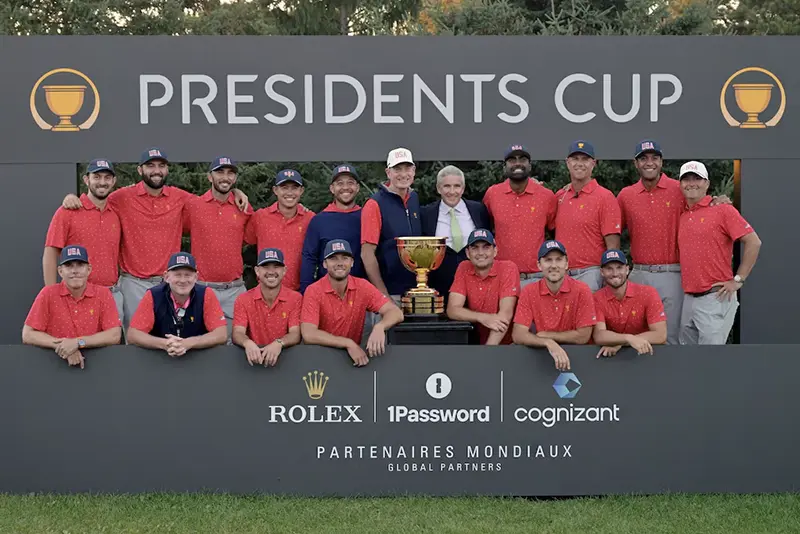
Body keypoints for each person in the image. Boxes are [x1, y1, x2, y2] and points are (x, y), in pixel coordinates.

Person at [60, 147, 249, 330]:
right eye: (150, 166)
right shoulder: (122, 197)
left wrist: (234, 192)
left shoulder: (180, 197)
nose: (156, 171)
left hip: (169, 283)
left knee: (172, 338)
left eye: (161, 166)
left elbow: (213, 200)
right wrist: (71, 197)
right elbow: (97, 197)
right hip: (132, 283)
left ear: (167, 170)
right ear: (140, 170)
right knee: (135, 342)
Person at [618, 140, 732, 345]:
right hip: (638, 274)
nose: (649, 163)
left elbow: (699, 203)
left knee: (669, 339)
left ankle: (667, 378)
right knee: (634, 334)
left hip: (672, 274)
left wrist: (717, 200)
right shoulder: (626, 195)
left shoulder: (678, 189)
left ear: (661, 162)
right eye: (643, 158)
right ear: (636, 164)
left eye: (654, 158)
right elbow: (614, 231)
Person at [677, 161, 762, 345]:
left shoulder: (723, 210)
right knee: (688, 361)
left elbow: (754, 242)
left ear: (707, 183)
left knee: (711, 363)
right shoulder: (683, 214)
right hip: (689, 299)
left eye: (697, 179)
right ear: (680, 184)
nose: (691, 183)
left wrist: (738, 279)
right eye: (686, 179)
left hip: (715, 298)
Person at [301, 239, 404, 367]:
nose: (340, 263)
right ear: (324, 264)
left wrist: (380, 327)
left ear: (352, 262)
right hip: (319, 359)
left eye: (345, 258)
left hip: (352, 360)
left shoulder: (362, 286)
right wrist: (347, 343)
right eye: (333, 258)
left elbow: (396, 312)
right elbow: (309, 334)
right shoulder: (314, 290)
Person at [44, 159, 124, 322]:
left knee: (111, 344)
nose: (102, 182)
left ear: (113, 181)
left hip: (112, 293)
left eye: (107, 178)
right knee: (76, 344)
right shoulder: (68, 211)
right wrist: (51, 294)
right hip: (78, 295)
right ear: (86, 180)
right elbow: (51, 253)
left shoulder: (117, 212)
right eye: (97, 177)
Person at [184, 156, 252, 337]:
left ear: (235, 179)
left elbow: (249, 239)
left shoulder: (243, 207)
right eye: (220, 172)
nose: (225, 177)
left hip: (234, 290)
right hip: (200, 289)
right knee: (197, 346)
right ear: (209, 177)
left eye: (230, 173)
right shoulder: (193, 205)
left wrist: (238, 192)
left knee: (233, 350)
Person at [23, 245, 121, 369]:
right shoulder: (48, 293)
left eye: (80, 265)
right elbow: (28, 334)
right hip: (52, 365)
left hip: (96, 366)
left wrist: (78, 343)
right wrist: (64, 346)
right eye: (69, 266)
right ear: (60, 271)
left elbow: (114, 335)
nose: (75, 271)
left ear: (89, 269)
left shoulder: (103, 294)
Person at [512, 240, 597, 371]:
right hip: (544, 354)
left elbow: (583, 336)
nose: (553, 265)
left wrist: (548, 336)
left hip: (580, 357)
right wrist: (548, 342)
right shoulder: (529, 291)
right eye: (548, 260)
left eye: (558, 259)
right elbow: (518, 334)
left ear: (567, 263)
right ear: (539, 265)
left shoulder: (582, 290)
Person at [483, 144, 557, 288]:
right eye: (512, 160)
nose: (517, 163)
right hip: (501, 276)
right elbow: (488, 228)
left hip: (536, 276)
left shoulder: (547, 196)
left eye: (522, 159)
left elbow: (554, 232)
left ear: (530, 165)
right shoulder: (492, 194)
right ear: (505, 166)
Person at [127, 252, 228, 356]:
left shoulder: (206, 294)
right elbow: (133, 335)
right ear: (166, 277)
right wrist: (165, 344)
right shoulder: (153, 295)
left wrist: (189, 343)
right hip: (159, 358)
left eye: (187, 275)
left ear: (196, 277)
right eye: (177, 275)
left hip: (198, 358)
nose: (183, 280)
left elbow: (221, 334)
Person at [553, 141, 621, 292]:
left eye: (585, 159)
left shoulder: (605, 197)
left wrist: (610, 275)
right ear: (567, 163)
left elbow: (613, 245)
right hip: (561, 274)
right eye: (575, 159)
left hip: (591, 274)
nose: (579, 164)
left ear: (593, 163)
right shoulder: (560, 196)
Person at [360, 148, 422, 301]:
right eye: (397, 169)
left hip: (416, 290)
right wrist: (383, 296)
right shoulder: (374, 204)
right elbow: (367, 254)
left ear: (414, 170)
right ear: (388, 172)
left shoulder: (414, 198)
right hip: (390, 294)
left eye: (407, 168)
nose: (403, 174)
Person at [421, 165, 490, 300]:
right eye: (447, 186)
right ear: (438, 188)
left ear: (463, 189)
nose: (452, 191)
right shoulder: (426, 214)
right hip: (439, 285)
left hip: (475, 283)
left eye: (457, 186)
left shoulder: (479, 210)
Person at [446, 229, 519, 345]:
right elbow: (452, 309)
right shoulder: (464, 267)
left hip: (510, 346)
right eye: (475, 248)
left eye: (486, 247)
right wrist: (483, 318)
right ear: (467, 253)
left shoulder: (508, 268)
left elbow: (505, 315)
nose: (480, 253)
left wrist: (487, 352)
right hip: (478, 345)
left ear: (495, 251)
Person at [245, 169, 314, 291]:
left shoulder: (310, 219)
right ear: (275, 190)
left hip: (299, 292)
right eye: (284, 187)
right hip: (266, 292)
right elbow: (242, 239)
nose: (289, 192)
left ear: (301, 191)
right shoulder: (260, 217)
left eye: (294, 188)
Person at [232, 248, 302, 367]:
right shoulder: (243, 299)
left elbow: (295, 333)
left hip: (286, 360)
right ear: (257, 271)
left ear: (284, 270)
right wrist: (247, 342)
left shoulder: (295, 298)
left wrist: (279, 343)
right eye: (265, 267)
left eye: (276, 266)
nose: (271, 271)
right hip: (253, 361)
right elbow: (237, 332)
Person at [300, 164, 364, 293]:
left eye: (350, 183)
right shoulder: (319, 220)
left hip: (362, 295)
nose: (345, 187)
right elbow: (309, 258)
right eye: (340, 183)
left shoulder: (366, 217)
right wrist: (305, 293)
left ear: (357, 187)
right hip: (327, 295)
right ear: (332, 188)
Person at [592, 249, 667, 358]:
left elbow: (660, 335)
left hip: (647, 355)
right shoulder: (597, 298)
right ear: (602, 272)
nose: (615, 273)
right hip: (611, 358)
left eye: (619, 268)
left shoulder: (648, 293)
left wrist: (621, 343)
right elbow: (599, 335)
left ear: (627, 269)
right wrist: (628, 339)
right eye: (609, 269)